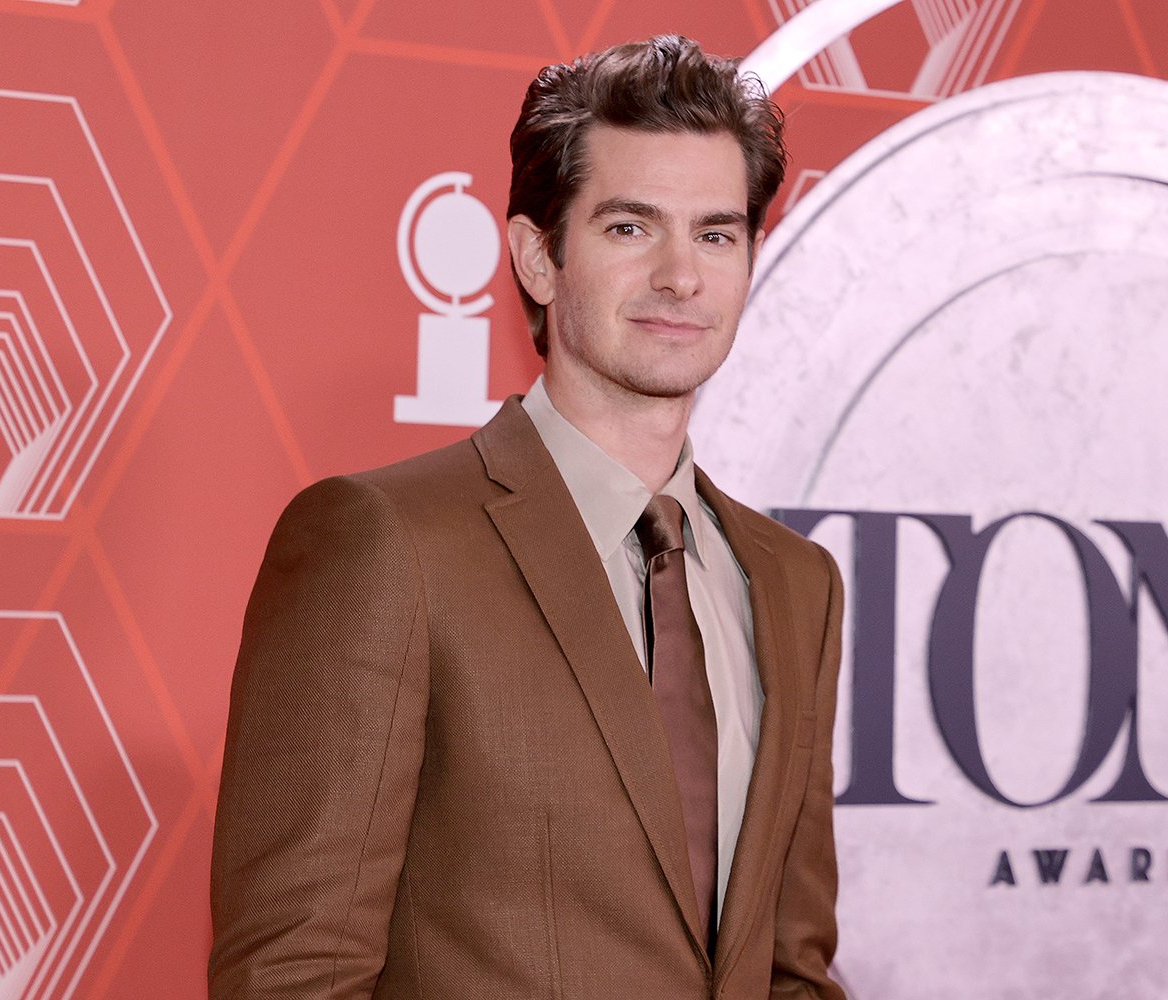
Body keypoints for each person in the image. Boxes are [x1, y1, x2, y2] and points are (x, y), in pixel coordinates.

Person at [209, 35, 845, 1000]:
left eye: (717, 235)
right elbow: (292, 975)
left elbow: (792, 967)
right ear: (538, 259)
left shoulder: (796, 582)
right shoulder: (387, 545)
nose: (682, 276)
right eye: (631, 228)